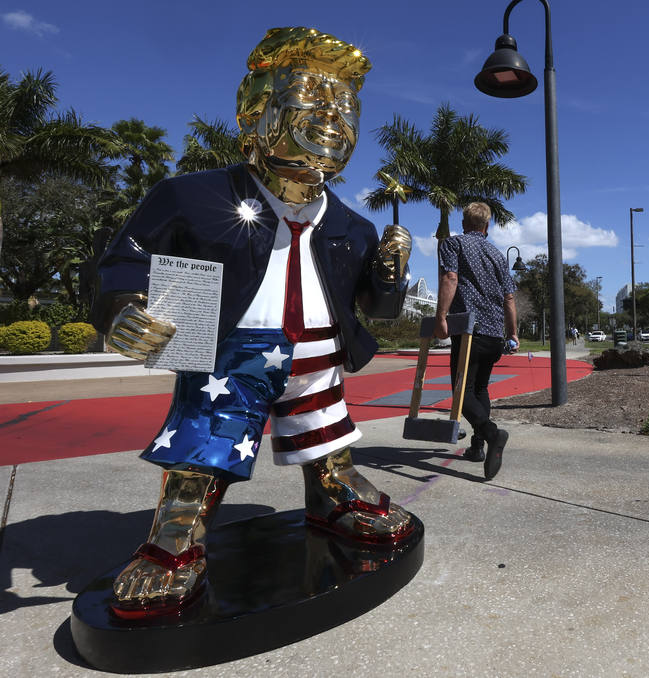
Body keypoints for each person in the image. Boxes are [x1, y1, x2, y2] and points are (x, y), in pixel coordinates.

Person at [91, 26, 416, 618]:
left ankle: (333, 492)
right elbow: (125, 258)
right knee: (206, 434)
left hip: (319, 354)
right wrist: (123, 308)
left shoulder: (354, 226)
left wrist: (391, 275)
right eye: (313, 102)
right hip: (230, 347)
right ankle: (177, 533)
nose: (332, 120)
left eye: (346, 110)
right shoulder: (192, 197)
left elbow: (378, 308)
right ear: (256, 114)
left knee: (326, 429)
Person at [433, 202, 518, 480]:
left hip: (469, 330)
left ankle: (492, 434)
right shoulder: (497, 253)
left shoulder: (453, 244)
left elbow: (450, 277)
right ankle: (477, 447)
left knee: (461, 391)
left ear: (464, 222)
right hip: (495, 334)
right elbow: (508, 297)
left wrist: (441, 316)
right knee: (480, 388)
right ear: (487, 226)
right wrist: (513, 333)